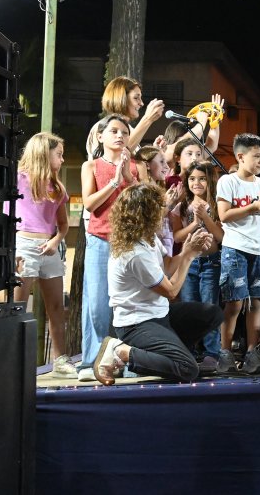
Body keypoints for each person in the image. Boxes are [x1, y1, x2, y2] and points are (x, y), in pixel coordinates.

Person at [93, 184, 222, 386]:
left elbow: (168, 265)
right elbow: (171, 291)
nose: (164, 211)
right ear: (145, 213)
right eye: (159, 207)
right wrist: (189, 256)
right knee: (187, 369)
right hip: (136, 324)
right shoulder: (135, 253)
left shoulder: (148, 237)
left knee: (212, 314)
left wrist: (187, 250)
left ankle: (171, 355)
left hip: (159, 315)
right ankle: (121, 351)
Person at [78, 114, 139, 381]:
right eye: (114, 131)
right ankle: (91, 362)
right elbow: (90, 204)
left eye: (124, 132)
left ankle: (122, 361)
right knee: (96, 304)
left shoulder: (135, 166)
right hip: (99, 239)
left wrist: (127, 177)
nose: (120, 136)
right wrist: (114, 181)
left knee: (125, 304)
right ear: (100, 136)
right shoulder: (90, 166)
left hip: (128, 242)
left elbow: (143, 203)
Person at [215, 133, 260, 374]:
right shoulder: (228, 181)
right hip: (236, 248)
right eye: (256, 156)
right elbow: (224, 215)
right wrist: (254, 206)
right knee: (234, 301)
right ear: (240, 157)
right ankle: (225, 353)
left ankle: (253, 353)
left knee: (257, 301)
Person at [12, 132, 74, 376]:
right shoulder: (17, 179)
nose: (62, 159)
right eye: (58, 154)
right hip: (22, 244)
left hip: (49, 247)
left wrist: (55, 241)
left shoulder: (57, 188)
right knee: (18, 307)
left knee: (56, 307)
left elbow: (64, 225)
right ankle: (13, 360)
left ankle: (60, 361)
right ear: (43, 153)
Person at [171, 161, 225, 373]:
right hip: (189, 264)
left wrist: (205, 217)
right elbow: (177, 236)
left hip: (211, 262)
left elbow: (220, 236)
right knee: (189, 306)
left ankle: (212, 353)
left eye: (202, 179)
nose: (197, 183)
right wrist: (194, 223)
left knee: (210, 305)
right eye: (192, 179)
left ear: (210, 181)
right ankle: (189, 352)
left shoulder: (217, 205)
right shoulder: (182, 207)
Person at [84, 76, 164, 160]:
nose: (141, 103)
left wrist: (155, 151)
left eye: (140, 98)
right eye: (136, 98)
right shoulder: (103, 127)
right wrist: (147, 119)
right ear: (121, 98)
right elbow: (118, 157)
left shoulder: (130, 129)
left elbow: (133, 162)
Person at [134, 145, 183, 255]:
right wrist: (168, 204)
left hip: (164, 241)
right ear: (147, 165)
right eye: (161, 162)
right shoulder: (142, 191)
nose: (166, 166)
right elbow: (150, 224)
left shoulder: (159, 187)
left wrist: (174, 201)